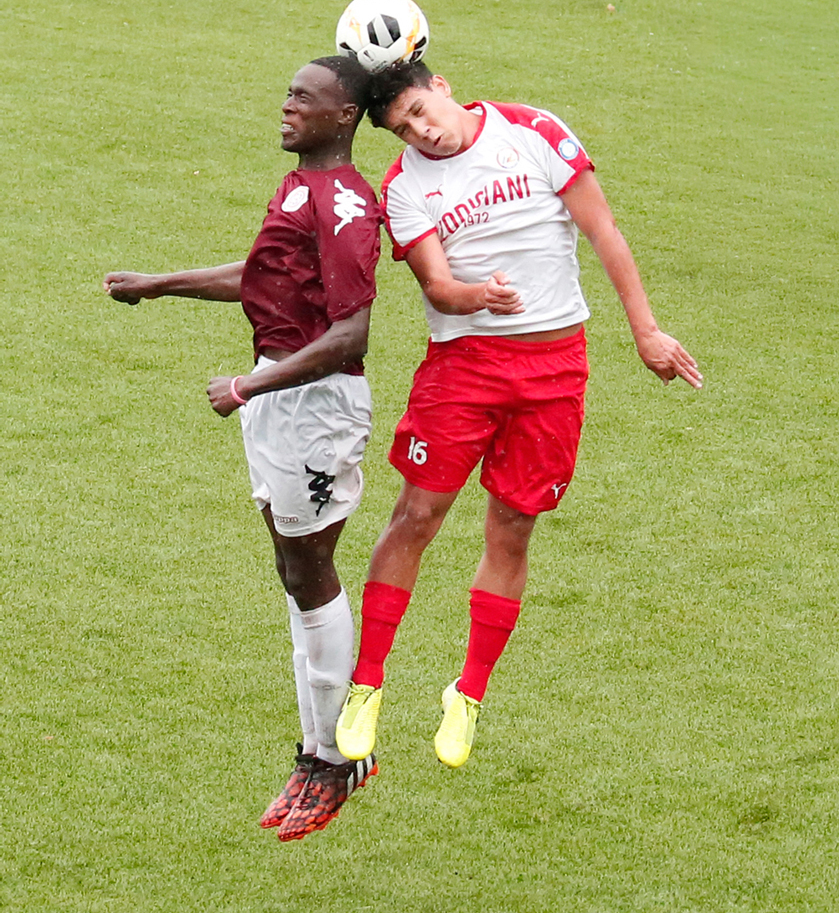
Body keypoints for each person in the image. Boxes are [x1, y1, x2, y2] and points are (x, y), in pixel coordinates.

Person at [335, 61, 702, 769]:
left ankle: (466, 694)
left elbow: (603, 233)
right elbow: (437, 286)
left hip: (554, 370)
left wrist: (646, 331)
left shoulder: (534, 132)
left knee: (512, 526)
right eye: (402, 128)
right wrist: (475, 298)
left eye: (419, 110)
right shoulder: (405, 187)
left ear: (440, 86)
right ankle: (367, 682)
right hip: (462, 370)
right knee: (417, 515)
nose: (421, 131)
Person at [103, 56, 382, 841]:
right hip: (279, 397)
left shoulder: (346, 207)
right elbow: (263, 280)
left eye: (305, 97)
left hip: (312, 407)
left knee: (310, 569)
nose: (287, 105)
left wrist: (251, 388)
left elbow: (351, 334)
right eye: (289, 93)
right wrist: (159, 285)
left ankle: (334, 759)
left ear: (344, 116)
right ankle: (317, 750)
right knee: (293, 570)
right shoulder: (300, 188)